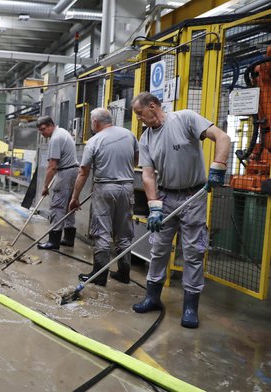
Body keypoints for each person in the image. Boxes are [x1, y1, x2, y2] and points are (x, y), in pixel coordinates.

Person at [131, 92, 230, 329]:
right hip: (165, 197)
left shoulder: (185, 119)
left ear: (152, 107)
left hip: (193, 196)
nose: (139, 120)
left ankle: (190, 307)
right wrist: (154, 207)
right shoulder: (146, 139)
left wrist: (219, 166)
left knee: (193, 252)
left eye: (140, 114)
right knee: (158, 249)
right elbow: (147, 174)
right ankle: (152, 297)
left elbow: (222, 137)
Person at [69, 108, 138, 286]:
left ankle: (99, 274)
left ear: (95, 122)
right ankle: (124, 273)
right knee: (123, 234)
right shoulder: (129, 135)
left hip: (105, 188)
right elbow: (136, 159)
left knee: (102, 232)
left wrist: (75, 197)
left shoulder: (94, 140)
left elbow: (83, 172)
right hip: (127, 187)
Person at [36, 115, 79, 250]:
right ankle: (68, 239)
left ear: (50, 125)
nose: (42, 134)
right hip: (73, 171)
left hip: (65, 173)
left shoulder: (55, 138)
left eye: (43, 130)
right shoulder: (63, 132)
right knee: (69, 207)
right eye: (40, 131)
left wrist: (45, 186)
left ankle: (53, 242)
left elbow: (52, 166)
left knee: (57, 207)